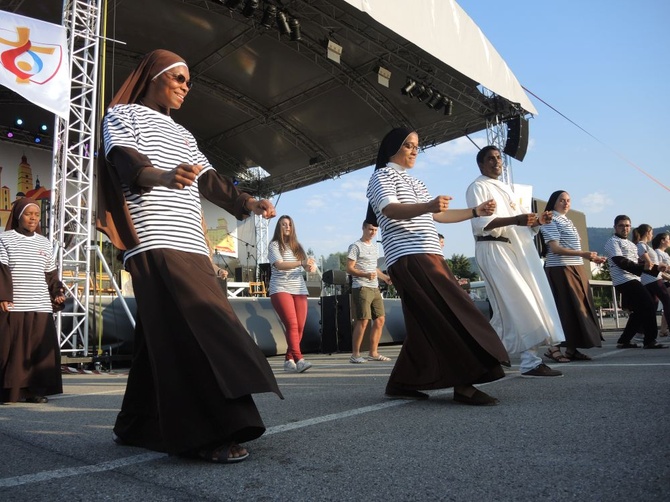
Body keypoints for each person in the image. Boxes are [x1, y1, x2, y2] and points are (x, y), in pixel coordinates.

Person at [97, 49, 282, 463]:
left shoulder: (183, 133)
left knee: (161, 332)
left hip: (190, 242)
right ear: (153, 77)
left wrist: (247, 201)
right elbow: (126, 163)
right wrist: (162, 176)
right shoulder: (121, 116)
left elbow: (208, 179)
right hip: (154, 237)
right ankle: (210, 430)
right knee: (198, 328)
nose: (186, 86)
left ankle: (135, 424)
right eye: (178, 78)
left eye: (189, 81)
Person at [366, 127, 509, 406]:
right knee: (452, 312)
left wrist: (475, 212)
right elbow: (390, 210)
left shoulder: (417, 182)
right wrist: (427, 206)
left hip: (427, 253)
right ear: (392, 147)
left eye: (417, 146)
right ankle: (464, 384)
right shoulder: (381, 176)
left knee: (425, 322)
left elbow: (439, 216)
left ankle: (402, 382)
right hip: (410, 255)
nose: (414, 150)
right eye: (408, 145)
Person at [465, 146, 565, 377]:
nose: (496, 162)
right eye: (490, 159)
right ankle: (520, 360)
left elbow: (525, 225)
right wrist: (516, 219)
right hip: (493, 248)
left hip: (515, 250)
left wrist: (538, 220)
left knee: (514, 308)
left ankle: (488, 357)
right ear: (481, 165)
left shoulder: (506, 189)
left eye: (499, 158)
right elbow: (481, 223)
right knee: (517, 305)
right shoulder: (478, 187)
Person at [0, 197, 65, 404]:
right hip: (15, 304)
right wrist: (3, 295)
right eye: (29, 214)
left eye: (36, 215)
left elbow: (51, 275)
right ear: (19, 216)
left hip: (40, 305)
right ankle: (11, 391)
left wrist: (57, 292)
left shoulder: (44, 242)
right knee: (14, 351)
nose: (33, 219)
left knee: (38, 352)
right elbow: (2, 270)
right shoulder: (5, 239)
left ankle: (35, 391)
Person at [540, 190, 605, 361]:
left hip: (575, 268)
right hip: (560, 269)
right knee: (563, 309)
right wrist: (583, 254)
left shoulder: (566, 220)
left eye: (568, 200)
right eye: (562, 200)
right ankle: (553, 348)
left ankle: (571, 348)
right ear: (553, 202)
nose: (566, 203)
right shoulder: (550, 218)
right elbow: (555, 249)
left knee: (577, 308)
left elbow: (571, 247)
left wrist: (592, 257)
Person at [603, 216, 667, 349]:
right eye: (621, 225)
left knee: (639, 310)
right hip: (624, 279)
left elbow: (639, 263)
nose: (624, 228)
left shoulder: (632, 245)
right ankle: (649, 341)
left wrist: (656, 268)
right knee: (649, 304)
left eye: (627, 225)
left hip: (634, 278)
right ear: (615, 227)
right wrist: (645, 268)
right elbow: (621, 262)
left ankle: (624, 340)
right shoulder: (612, 242)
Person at [268, 215, 316, 373]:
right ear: (279, 227)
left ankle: (289, 359)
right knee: (292, 324)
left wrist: (310, 267)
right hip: (281, 288)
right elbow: (280, 265)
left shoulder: (298, 247)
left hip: (299, 289)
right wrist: (302, 262)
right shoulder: (274, 245)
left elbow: (306, 267)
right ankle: (299, 359)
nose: (287, 227)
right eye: (283, 224)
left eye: (289, 224)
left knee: (300, 327)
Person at [346, 221, 392, 363]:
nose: (373, 232)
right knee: (363, 321)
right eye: (370, 229)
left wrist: (385, 278)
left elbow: (374, 268)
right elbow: (349, 268)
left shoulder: (374, 247)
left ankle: (373, 353)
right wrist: (364, 275)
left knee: (380, 320)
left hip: (374, 287)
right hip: (361, 286)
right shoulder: (355, 246)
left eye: (375, 230)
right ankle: (355, 355)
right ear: (364, 228)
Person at [633, 224, 670, 334]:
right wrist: (661, 268)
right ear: (647, 233)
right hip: (652, 279)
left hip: (652, 278)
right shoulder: (641, 246)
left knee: (651, 306)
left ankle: (641, 332)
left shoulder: (645, 246)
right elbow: (648, 264)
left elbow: (653, 265)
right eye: (651, 233)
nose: (652, 235)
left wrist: (663, 268)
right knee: (667, 302)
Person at [651, 232, 670, 336]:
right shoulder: (658, 253)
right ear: (662, 240)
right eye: (668, 239)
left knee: (668, 305)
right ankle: (663, 329)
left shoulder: (665, 253)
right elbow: (658, 270)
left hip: (667, 281)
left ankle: (663, 330)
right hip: (664, 282)